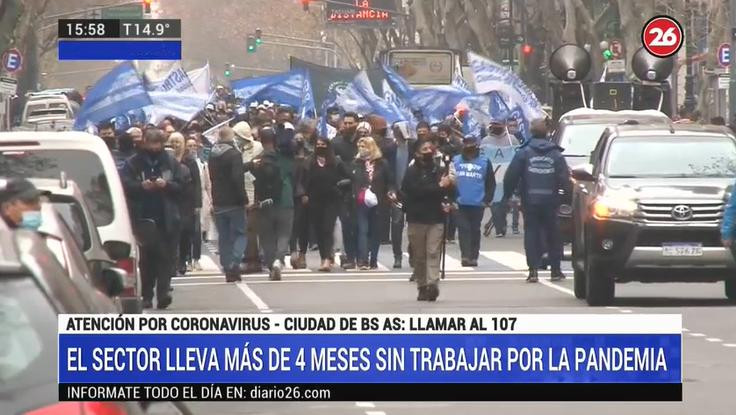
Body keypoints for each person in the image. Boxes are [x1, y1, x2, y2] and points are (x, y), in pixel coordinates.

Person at [121, 128, 184, 309]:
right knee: (147, 261)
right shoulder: (133, 164)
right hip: (143, 218)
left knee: (166, 258)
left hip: (167, 218)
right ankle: (146, 295)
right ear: (145, 143)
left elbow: (181, 185)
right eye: (151, 144)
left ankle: (163, 293)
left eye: (158, 144)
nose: (155, 148)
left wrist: (167, 185)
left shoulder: (170, 163)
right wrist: (141, 187)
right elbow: (125, 185)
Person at [503, 118, 570, 283]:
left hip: (530, 201)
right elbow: (564, 179)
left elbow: (511, 176)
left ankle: (533, 270)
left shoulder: (524, 152)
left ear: (531, 132)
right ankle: (555, 270)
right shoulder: (556, 154)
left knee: (531, 233)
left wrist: (507, 196)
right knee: (553, 234)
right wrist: (567, 199)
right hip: (551, 201)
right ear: (547, 133)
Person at [402, 141, 454, 301]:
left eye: (430, 149)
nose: (428, 151)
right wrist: (439, 187)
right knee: (419, 255)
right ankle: (422, 285)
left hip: (435, 217)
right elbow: (416, 191)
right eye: (424, 149)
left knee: (433, 252)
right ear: (417, 153)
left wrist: (448, 200)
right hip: (416, 217)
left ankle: (432, 284)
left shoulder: (439, 170)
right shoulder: (411, 172)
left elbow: (448, 191)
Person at [299, 136, 349, 272]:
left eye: (323, 144)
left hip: (331, 201)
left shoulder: (336, 162)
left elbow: (348, 177)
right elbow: (302, 181)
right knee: (319, 231)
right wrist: (303, 195)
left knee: (328, 228)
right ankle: (323, 258)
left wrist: (339, 189)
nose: (320, 147)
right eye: (318, 144)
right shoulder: (309, 162)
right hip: (314, 201)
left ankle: (327, 259)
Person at [248, 127, 291, 281]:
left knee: (267, 236)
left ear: (260, 139)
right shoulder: (284, 157)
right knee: (284, 233)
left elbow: (246, 171)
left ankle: (272, 264)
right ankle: (279, 260)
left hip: (264, 200)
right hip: (285, 199)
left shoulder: (258, 159)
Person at [208, 127, 248, 283]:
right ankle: (235, 262)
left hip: (218, 199)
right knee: (239, 233)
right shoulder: (234, 154)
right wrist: (243, 198)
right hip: (233, 200)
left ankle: (226, 266)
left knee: (224, 236)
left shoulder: (213, 154)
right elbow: (237, 178)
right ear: (231, 137)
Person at [352, 136, 397, 270]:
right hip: (361, 202)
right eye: (360, 146)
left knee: (375, 231)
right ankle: (363, 260)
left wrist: (391, 191)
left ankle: (374, 259)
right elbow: (353, 180)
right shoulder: (356, 163)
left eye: (364, 146)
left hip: (379, 201)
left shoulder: (382, 163)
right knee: (363, 230)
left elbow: (390, 181)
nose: (362, 149)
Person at [453, 134, 495, 267]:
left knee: (474, 230)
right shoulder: (456, 161)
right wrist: (452, 199)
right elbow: (450, 181)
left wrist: (487, 200)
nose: (469, 147)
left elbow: (490, 183)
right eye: (466, 144)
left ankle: (473, 256)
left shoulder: (484, 161)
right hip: (460, 202)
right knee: (463, 229)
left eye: (471, 144)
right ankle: (465, 256)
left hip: (477, 203)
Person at [169, 132, 202, 275]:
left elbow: (197, 184)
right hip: (171, 200)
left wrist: (197, 204)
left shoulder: (190, 161)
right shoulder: (166, 160)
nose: (176, 145)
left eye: (178, 142)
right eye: (173, 142)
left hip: (187, 202)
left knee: (185, 232)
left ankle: (183, 260)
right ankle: (173, 262)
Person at [482, 119, 520, 238]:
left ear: (504, 126)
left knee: (505, 204)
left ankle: (500, 223)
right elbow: (482, 157)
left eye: (498, 125)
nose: (496, 127)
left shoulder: (512, 139)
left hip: (507, 176)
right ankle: (499, 228)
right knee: (495, 203)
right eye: (494, 125)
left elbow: (518, 156)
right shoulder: (485, 141)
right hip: (492, 177)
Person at [333, 112, 361, 269]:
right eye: (346, 123)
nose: (348, 126)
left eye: (352, 123)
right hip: (342, 191)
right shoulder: (336, 143)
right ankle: (349, 257)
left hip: (360, 190)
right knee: (347, 225)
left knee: (360, 226)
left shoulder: (362, 142)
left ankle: (362, 256)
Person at [391, 122, 416, 268]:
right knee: (396, 224)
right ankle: (397, 256)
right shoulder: (390, 149)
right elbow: (388, 172)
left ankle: (413, 254)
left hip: (412, 193)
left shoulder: (414, 148)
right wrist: (391, 189)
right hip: (397, 193)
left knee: (414, 226)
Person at [186, 138, 210, 270]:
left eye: (194, 145)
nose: (192, 148)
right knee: (188, 231)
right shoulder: (184, 162)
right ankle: (187, 259)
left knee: (198, 231)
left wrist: (210, 200)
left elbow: (207, 184)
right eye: (189, 145)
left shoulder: (202, 163)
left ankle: (196, 258)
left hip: (200, 199)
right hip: (187, 200)